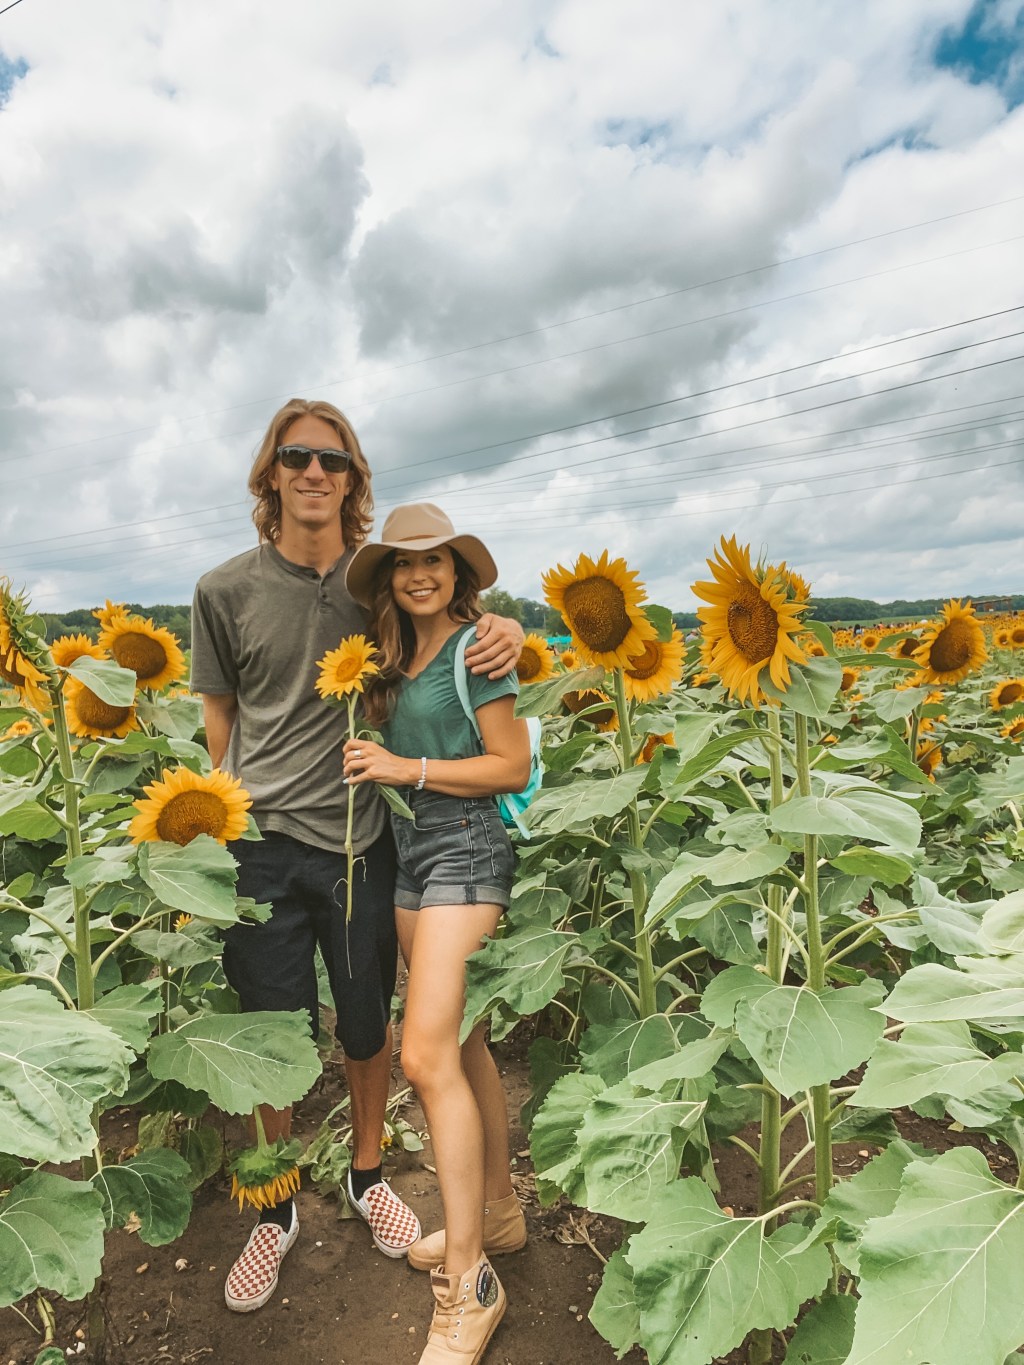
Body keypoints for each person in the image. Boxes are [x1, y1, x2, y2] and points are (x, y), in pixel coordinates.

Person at [190, 401, 523, 1314]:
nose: (313, 473)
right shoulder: (223, 590)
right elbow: (220, 718)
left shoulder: (370, 588)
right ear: (271, 474)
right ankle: (274, 1209)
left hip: (364, 843)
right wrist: (215, 819)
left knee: (367, 1025)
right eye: (296, 457)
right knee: (268, 1040)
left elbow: (450, 618)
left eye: (331, 462)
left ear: (351, 479)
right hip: (260, 848)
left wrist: (511, 632)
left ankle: (369, 1171)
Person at [342, 503, 529, 1364]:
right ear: (388, 577)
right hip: (412, 850)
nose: (420, 575)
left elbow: (511, 765)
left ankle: (468, 1277)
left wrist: (403, 766)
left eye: (436, 562)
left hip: (466, 843)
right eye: (403, 564)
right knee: (467, 1037)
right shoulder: (391, 655)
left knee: (422, 1054)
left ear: (459, 570)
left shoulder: (476, 648)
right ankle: (495, 1211)